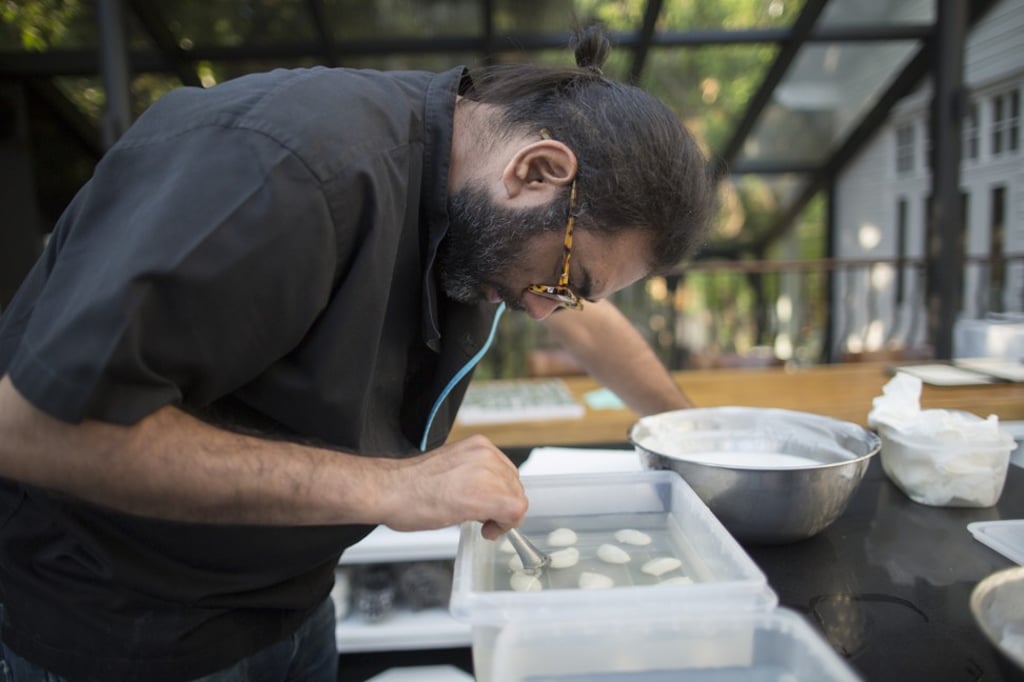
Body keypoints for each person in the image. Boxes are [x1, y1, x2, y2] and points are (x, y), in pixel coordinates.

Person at [0, 23, 714, 682]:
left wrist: (696, 446)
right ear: (537, 170)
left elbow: (581, 316)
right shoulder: (289, 169)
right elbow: (31, 429)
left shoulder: (474, 179)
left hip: (293, 602)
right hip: (122, 631)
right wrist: (392, 486)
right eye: (565, 281)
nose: (540, 309)